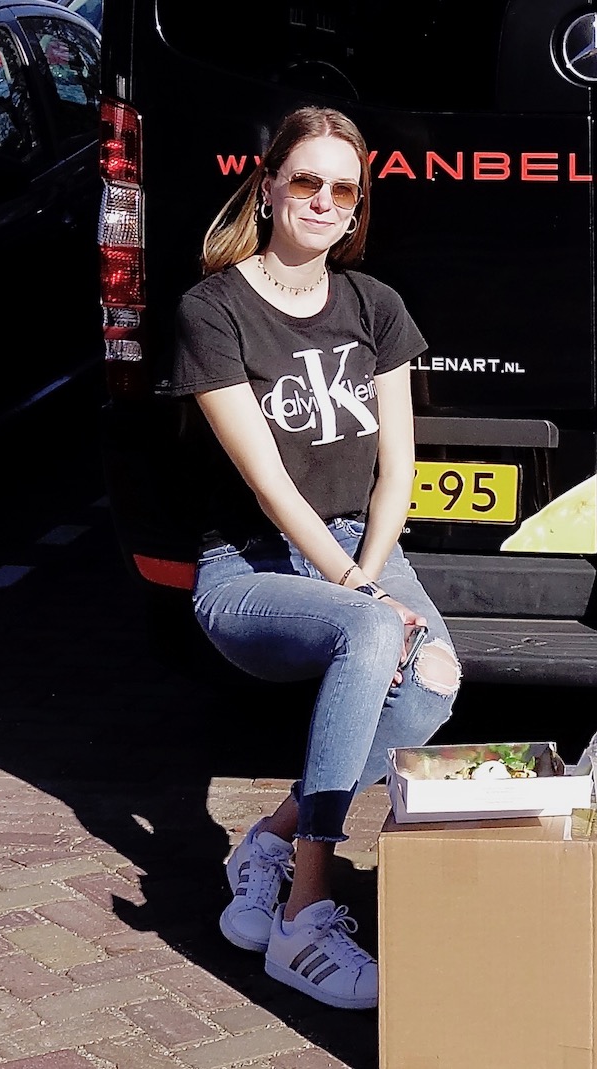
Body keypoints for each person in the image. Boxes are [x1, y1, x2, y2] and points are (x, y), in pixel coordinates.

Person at [165, 106, 457, 1011]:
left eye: (344, 188)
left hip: (354, 542)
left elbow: (399, 469)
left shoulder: (375, 306)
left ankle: (272, 838)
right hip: (248, 563)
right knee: (372, 632)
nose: (325, 200)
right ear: (269, 186)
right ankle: (303, 915)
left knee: (435, 680)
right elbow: (268, 486)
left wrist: (372, 565)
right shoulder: (213, 309)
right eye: (306, 180)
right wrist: (362, 590)